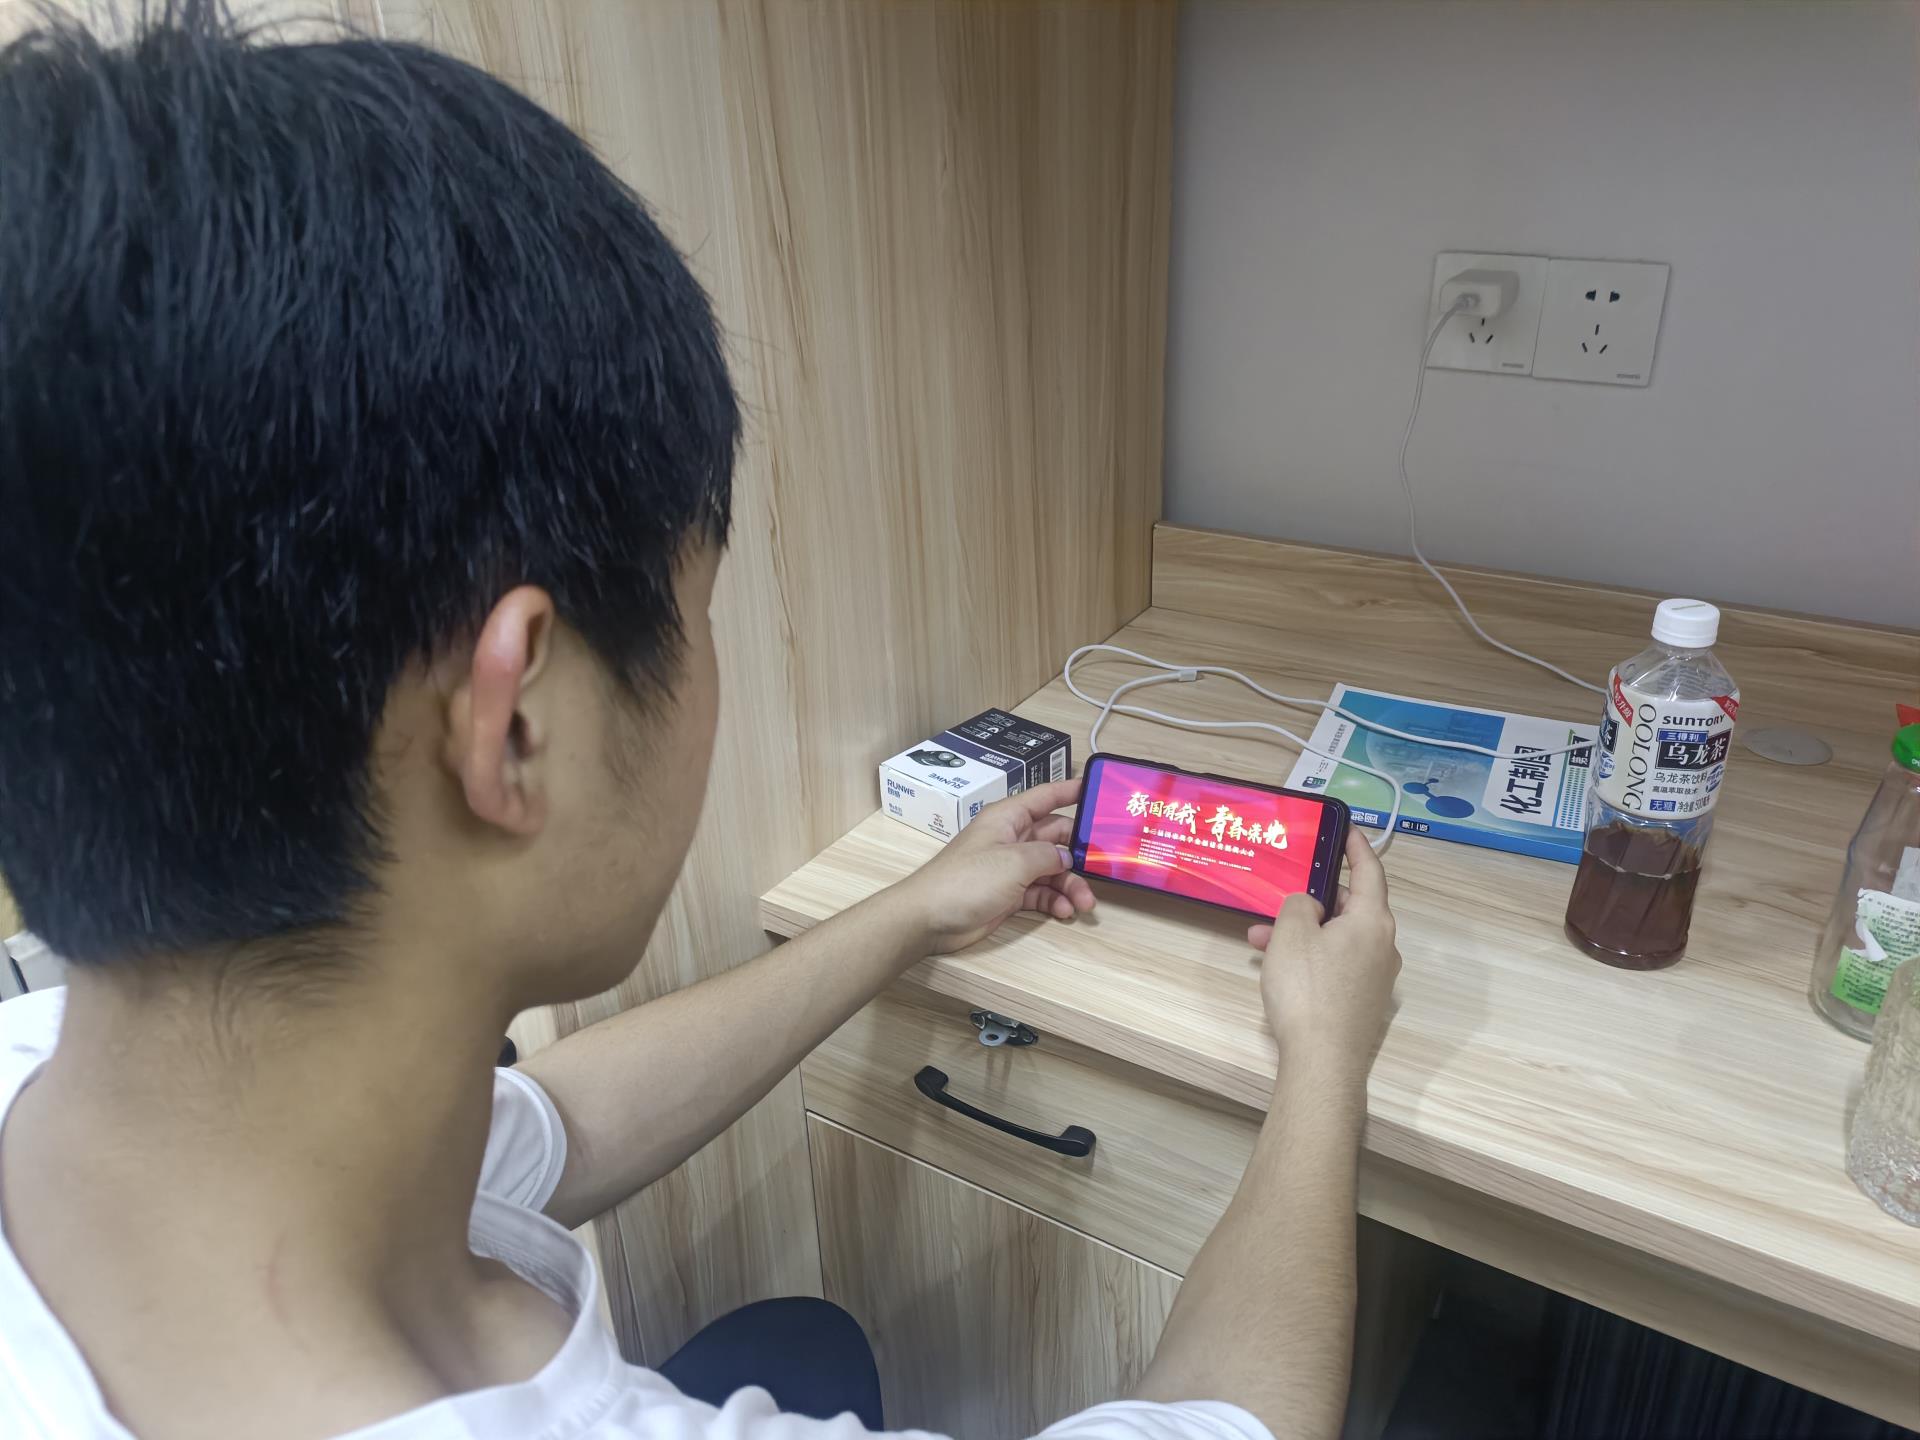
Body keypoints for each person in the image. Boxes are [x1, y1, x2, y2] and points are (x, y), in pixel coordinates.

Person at [0, 6, 1403, 1440]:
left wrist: (910, 915)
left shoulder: (80, 1066)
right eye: (704, 605)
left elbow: (549, 1129)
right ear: (518, 722)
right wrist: (1325, 1065)